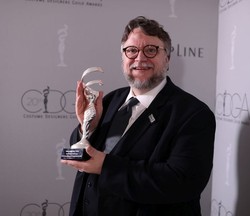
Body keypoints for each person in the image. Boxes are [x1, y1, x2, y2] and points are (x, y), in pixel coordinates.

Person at [61, 16, 216, 216]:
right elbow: (81, 151)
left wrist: (106, 166)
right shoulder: (110, 100)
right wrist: (86, 126)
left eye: (151, 50)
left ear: (167, 59)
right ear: (123, 58)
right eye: (132, 50)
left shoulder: (193, 114)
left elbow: (183, 182)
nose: (140, 58)